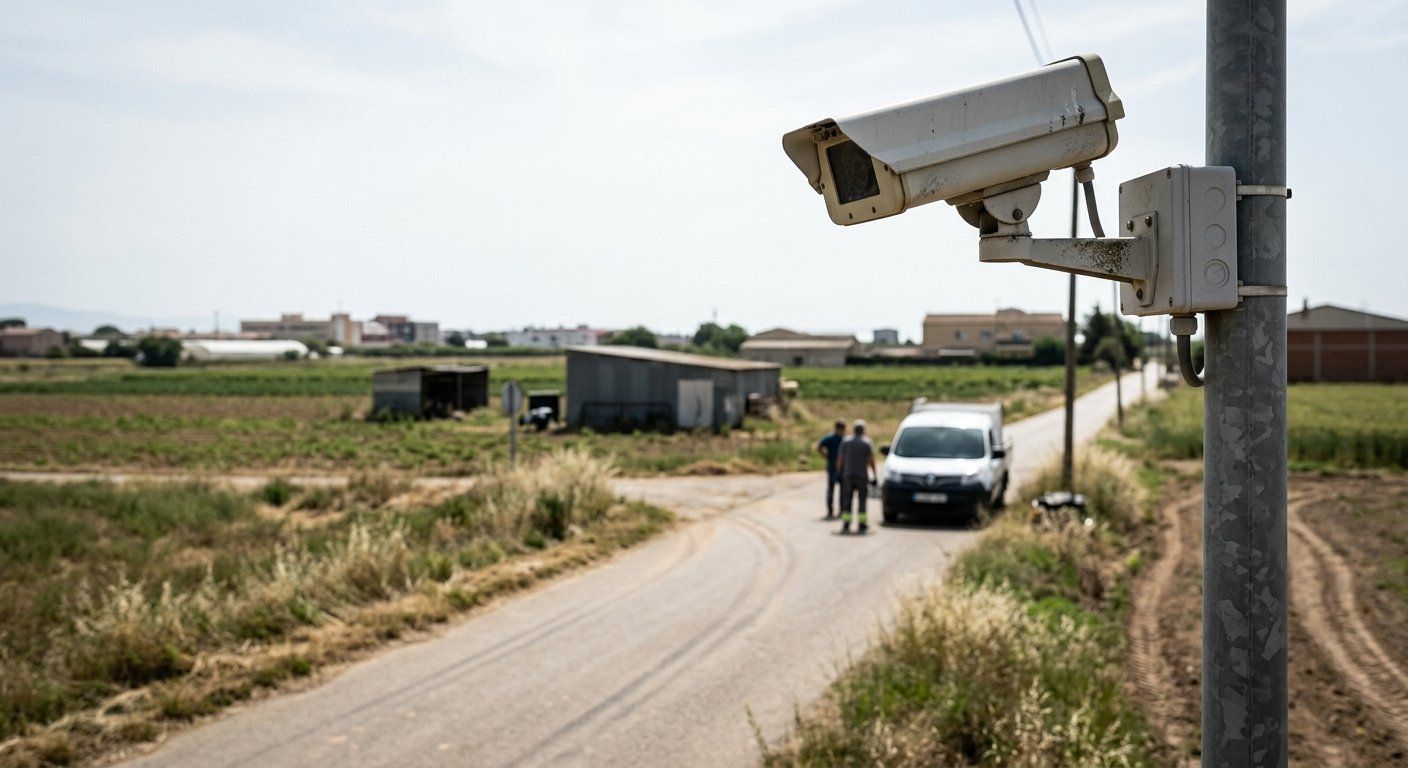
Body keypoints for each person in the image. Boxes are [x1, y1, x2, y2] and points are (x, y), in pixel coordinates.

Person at [835, 419, 876, 534]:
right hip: (862, 476)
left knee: (847, 499)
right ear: (863, 430)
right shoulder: (867, 442)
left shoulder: (846, 441)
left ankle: (846, 524)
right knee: (862, 500)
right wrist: (874, 474)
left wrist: (838, 471)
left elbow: (840, 458)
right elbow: (871, 460)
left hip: (848, 475)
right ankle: (861, 524)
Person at [816, 420, 846, 518]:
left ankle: (839, 511)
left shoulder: (842, 438)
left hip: (839, 467)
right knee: (833, 490)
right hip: (835, 467)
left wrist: (826, 456)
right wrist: (826, 456)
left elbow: (819, 446)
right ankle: (832, 511)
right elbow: (819, 446)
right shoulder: (834, 438)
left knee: (840, 490)